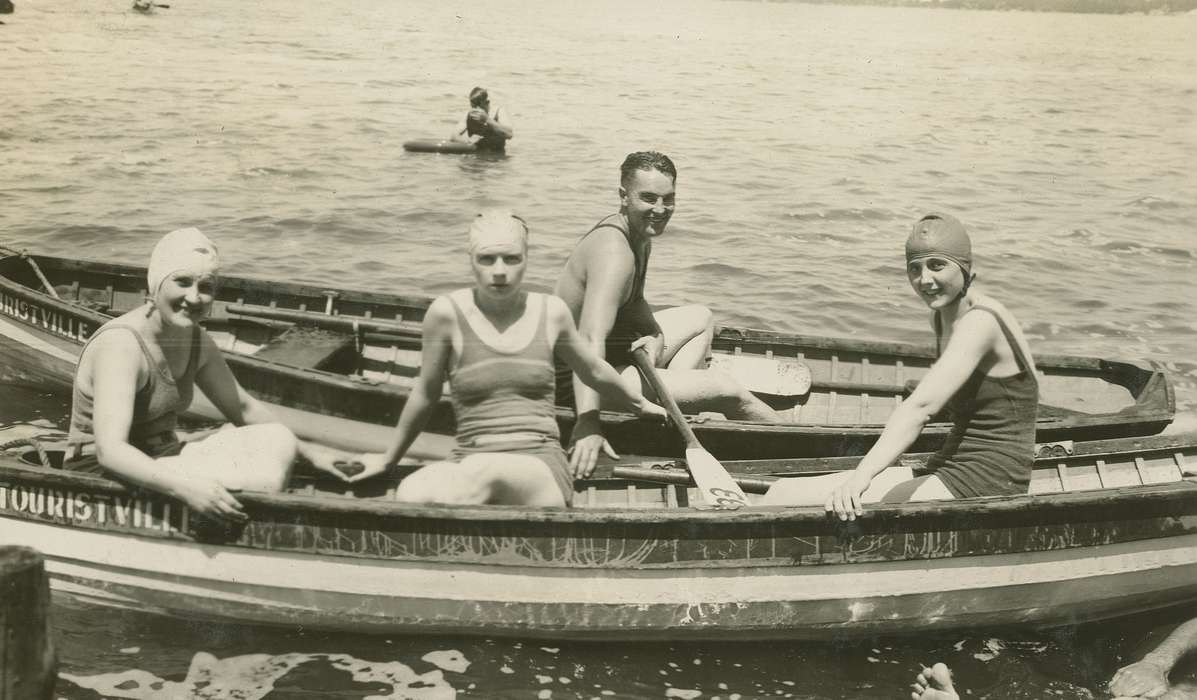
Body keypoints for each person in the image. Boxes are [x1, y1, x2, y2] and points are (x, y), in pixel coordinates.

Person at [352, 210, 665, 506]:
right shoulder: (445, 314)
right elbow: (425, 394)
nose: (499, 271)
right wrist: (388, 458)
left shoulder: (550, 313)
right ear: (471, 261)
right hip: (469, 457)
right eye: (486, 259)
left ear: (526, 259)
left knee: (484, 473)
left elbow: (593, 369)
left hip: (540, 465)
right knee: (411, 492)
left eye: (511, 258)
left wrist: (640, 405)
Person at [65, 227, 352, 524]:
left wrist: (311, 453)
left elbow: (243, 408)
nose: (194, 297)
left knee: (278, 436)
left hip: (162, 455)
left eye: (206, 287)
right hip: (103, 473)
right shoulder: (122, 346)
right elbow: (110, 451)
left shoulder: (195, 340)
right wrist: (189, 489)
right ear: (156, 285)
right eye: (182, 282)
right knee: (265, 480)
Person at [763, 212, 1039, 518]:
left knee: (790, 499)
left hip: (988, 479)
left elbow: (921, 409)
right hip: (951, 462)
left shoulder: (981, 321)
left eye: (937, 265)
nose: (925, 280)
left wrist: (860, 479)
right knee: (781, 492)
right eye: (914, 268)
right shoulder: (941, 314)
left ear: (964, 267)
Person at [554, 150, 781, 478]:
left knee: (701, 317)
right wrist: (588, 423)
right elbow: (588, 341)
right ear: (623, 196)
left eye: (668, 199)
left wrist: (655, 334)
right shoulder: (613, 252)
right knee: (726, 389)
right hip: (575, 379)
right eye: (648, 198)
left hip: (614, 355)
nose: (660, 210)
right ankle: (811, 446)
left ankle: (669, 410)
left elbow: (634, 302)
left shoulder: (639, 233)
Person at [449, 86, 513, 152]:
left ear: (487, 102)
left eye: (478, 105)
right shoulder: (469, 114)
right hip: (477, 155)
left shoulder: (498, 111)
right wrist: (468, 141)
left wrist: (487, 119)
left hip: (496, 156)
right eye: (473, 106)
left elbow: (509, 134)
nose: (476, 109)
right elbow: (454, 136)